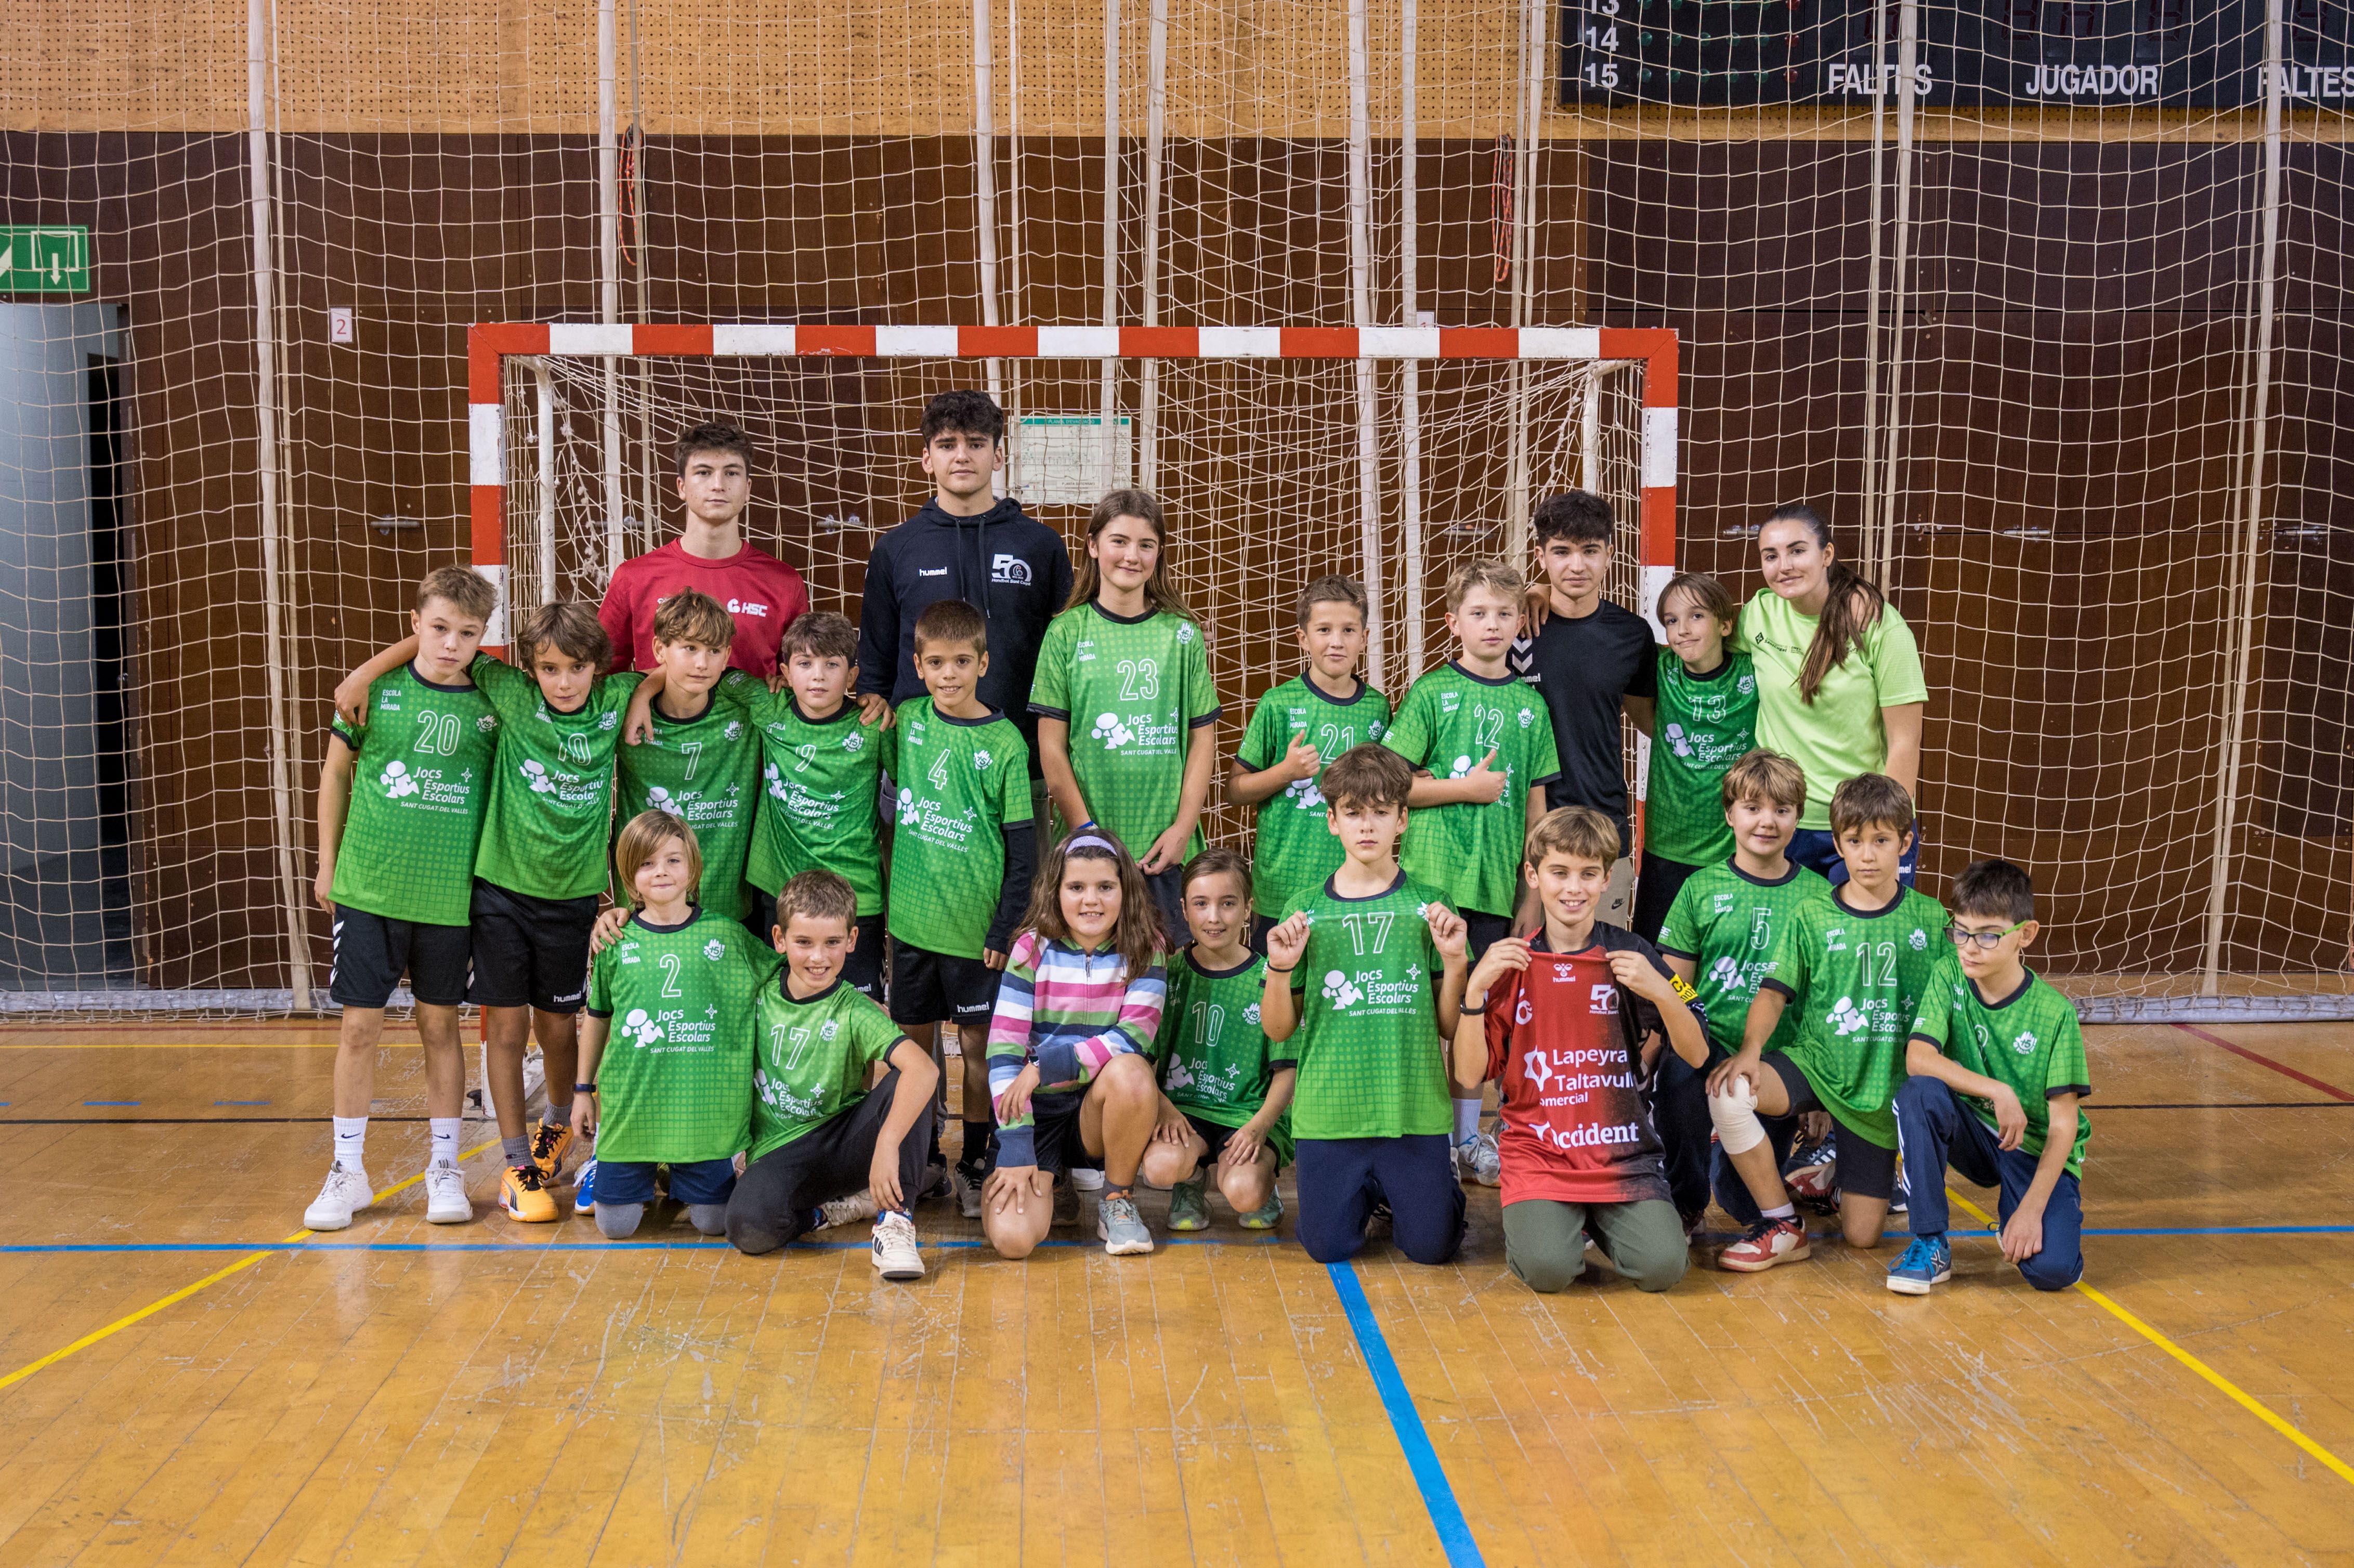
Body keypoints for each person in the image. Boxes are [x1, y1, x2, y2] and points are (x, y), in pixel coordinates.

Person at [332, 600, 644, 1223]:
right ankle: (514, 1161)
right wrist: (363, 675)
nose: (563, 681)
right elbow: (441, 644)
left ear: (599, 671)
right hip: (497, 893)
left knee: (559, 1028)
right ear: (529, 669)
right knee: (504, 1029)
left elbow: (662, 673)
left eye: (577, 669)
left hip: (574, 897)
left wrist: (643, 694)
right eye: (549, 668)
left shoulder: (617, 699)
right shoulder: (508, 690)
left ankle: (557, 1129)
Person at [304, 565, 498, 1230]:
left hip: (449, 897)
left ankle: (445, 1166)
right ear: (415, 625)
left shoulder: (492, 705)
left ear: (482, 638)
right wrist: (327, 863)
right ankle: (346, 1170)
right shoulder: (374, 691)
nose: (450, 644)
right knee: (358, 1027)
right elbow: (335, 774)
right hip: (369, 887)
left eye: (466, 633)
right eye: (438, 628)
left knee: (440, 1026)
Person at [1453, 807, 1710, 1293]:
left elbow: (1698, 1052)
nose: (1574, 888)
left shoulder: (1635, 953)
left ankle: (1598, 1220)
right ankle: (1557, 1223)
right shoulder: (1509, 963)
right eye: (1559, 873)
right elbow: (1469, 1073)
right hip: (1540, 1153)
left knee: (1662, 1270)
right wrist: (1473, 994)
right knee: (1549, 1272)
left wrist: (1662, 990)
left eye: (1589, 874)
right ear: (1533, 875)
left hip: (1622, 1155)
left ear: (1606, 878)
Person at [1705, 774, 1945, 1271]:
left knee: (1861, 1238)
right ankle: (1782, 1224)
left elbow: (1954, 1003)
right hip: (1815, 1065)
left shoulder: (1932, 919)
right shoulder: (1812, 914)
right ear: (1838, 844)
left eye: (1882, 841)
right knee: (1730, 1092)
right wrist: (1750, 1052)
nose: (1868, 855)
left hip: (1879, 1093)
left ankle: (1832, 1174)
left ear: (1905, 842)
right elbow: (1773, 994)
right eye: (1855, 842)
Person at [1381, 557, 1557, 1187]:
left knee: (1471, 1021)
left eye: (1505, 614)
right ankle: (1421, 1136)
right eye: (1478, 613)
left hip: (1491, 888)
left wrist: (1530, 892)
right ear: (1453, 622)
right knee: (1423, 1014)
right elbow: (1390, 783)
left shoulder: (1532, 707)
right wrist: (1466, 787)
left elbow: (1538, 810)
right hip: (1429, 887)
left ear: (1519, 624)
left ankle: (1465, 1138)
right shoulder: (1430, 692)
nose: (1492, 625)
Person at [1261, 743, 1471, 1266]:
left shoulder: (1431, 903)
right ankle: (1373, 1194)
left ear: (1402, 819)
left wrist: (1456, 963)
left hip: (1413, 1110)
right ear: (1332, 821)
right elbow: (1278, 1029)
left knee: (1431, 1249)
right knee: (1327, 1248)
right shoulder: (1304, 908)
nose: (1367, 825)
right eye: (1353, 812)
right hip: (1331, 1113)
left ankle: (1424, 1191)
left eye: (1380, 811)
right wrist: (1281, 969)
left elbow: (1449, 1026)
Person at [855, 389, 1074, 822]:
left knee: (1023, 889)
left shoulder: (1041, 545)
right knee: (917, 891)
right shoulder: (896, 549)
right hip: (919, 767)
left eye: (976, 444)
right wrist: (874, 706)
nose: (962, 456)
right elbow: (876, 663)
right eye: (947, 445)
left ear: (997, 455)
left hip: (1018, 761)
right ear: (926, 458)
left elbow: (1072, 645)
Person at [885, 598, 1037, 1216]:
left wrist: (1005, 926)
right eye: (937, 663)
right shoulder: (907, 721)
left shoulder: (1004, 743)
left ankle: (978, 1160)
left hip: (978, 935)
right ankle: (921, 1158)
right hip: (912, 926)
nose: (950, 674)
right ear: (918, 666)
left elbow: (1024, 854)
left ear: (984, 662)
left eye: (962, 662)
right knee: (914, 1051)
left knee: (979, 1052)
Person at [725, 870, 939, 1280]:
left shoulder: (855, 1010)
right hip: (778, 1150)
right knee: (747, 1228)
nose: (818, 958)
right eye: (804, 942)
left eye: (832, 943)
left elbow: (925, 1069)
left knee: (911, 1081)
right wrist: (626, 914)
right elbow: (696, 932)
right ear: (779, 939)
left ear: (852, 941)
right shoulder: (760, 978)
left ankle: (895, 1222)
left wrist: (887, 1143)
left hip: (845, 1140)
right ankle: (827, 1213)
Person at [571, 812, 777, 1239]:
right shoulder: (614, 940)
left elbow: (786, 977)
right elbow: (597, 1015)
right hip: (633, 1115)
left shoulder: (729, 937)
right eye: (647, 863)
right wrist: (582, 1090)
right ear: (629, 874)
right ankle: (636, 1164)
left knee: (713, 1223)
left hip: (702, 1120)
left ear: (693, 868)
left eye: (673, 861)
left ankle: (676, 1168)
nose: (661, 871)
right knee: (616, 1227)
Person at [1890, 859, 2089, 1296]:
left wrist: (2031, 1211)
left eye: (1987, 936)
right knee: (1919, 1093)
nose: (1968, 947)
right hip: (1977, 1135)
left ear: (2026, 934)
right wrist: (1996, 1090)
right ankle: (1929, 1241)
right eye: (1960, 931)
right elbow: (1919, 1058)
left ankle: (2020, 1208)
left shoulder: (2056, 1014)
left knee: (2052, 1272)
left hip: (2032, 1149)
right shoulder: (1949, 975)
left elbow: (2063, 1126)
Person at [1652, 749, 1832, 1231]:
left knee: (1742, 1203)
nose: (1767, 822)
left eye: (1782, 809)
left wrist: (1820, 1097)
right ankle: (1685, 1202)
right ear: (1730, 814)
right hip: (1711, 1047)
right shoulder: (1700, 888)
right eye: (1753, 808)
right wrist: (1694, 1030)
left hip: (1777, 1066)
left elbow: (1822, 999)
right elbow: (1675, 983)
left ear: (1798, 817)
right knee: (1676, 1077)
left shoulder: (1819, 898)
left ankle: (1786, 1167)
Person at [1032, 489, 1221, 938]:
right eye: (1119, 541)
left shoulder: (1182, 635)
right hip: (1089, 854)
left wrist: (1182, 829)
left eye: (1146, 545)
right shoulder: (1065, 633)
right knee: (1093, 991)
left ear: (1160, 553)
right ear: (1093, 546)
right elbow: (1052, 749)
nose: (1131, 556)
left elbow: (1203, 740)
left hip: (1165, 850)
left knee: (1169, 985)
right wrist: (1090, 835)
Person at [982, 831, 1171, 1259]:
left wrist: (1044, 1066)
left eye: (1105, 887)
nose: (1092, 900)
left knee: (1132, 1071)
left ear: (1126, 890)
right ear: (1056, 890)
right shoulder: (1030, 949)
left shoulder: (1146, 949)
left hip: (1099, 1107)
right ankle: (1056, 1181)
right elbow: (1004, 1049)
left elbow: (1131, 1038)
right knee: (1013, 1240)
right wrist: (1015, 1141)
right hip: (1038, 1107)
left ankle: (1116, 1200)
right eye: (1076, 888)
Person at [1739, 504, 1928, 885]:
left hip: (1859, 825)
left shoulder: (1878, 625)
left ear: (1827, 555)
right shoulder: (1757, 614)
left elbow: (1905, 742)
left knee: (1862, 943)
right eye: (1771, 556)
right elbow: (1704, 653)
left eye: (1797, 551)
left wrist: (1880, 832)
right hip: (1781, 823)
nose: (1784, 565)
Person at [710, 611, 893, 994]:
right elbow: (721, 676)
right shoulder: (768, 708)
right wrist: (645, 692)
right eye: (805, 664)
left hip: (856, 893)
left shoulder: (874, 727)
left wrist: (884, 705)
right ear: (785, 671)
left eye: (832, 665)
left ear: (853, 677)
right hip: (779, 891)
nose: (818, 675)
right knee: (780, 1004)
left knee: (859, 1013)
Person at [1508, 491, 1658, 926]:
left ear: (1609, 554)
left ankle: (1682, 999)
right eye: (1562, 552)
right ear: (1541, 555)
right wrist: (1526, 592)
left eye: (1590, 551)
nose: (1577, 566)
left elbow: (1651, 723)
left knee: (1603, 965)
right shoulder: (1512, 626)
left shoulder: (1632, 635)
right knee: (1524, 967)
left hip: (1602, 824)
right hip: (1519, 831)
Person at [1228, 574, 1390, 951]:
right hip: (1283, 887)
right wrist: (1286, 772)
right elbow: (1235, 789)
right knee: (1278, 995)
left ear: (1364, 639)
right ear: (1303, 638)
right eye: (1324, 630)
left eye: (1349, 630)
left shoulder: (1379, 708)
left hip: (1356, 883)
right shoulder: (1277, 703)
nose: (1337, 641)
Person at [1139, 847, 1294, 1232]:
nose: (1213, 917)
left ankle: (1265, 1183)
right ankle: (1189, 1182)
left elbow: (1288, 1070)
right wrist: (1164, 1109)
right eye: (1201, 904)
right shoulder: (1167, 973)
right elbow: (1140, 1059)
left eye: (1227, 904)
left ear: (1247, 909)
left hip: (1248, 1114)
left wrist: (1259, 1127)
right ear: (1184, 909)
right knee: (1159, 1168)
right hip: (1185, 1110)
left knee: (1244, 1192)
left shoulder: (1270, 977)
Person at [597, 421, 814, 680]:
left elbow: (800, 679)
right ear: (682, 487)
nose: (718, 485)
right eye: (703, 472)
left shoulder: (784, 583)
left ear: (748, 489)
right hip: (661, 720)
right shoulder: (633, 577)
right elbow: (599, 676)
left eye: (732, 473)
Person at [612, 591, 761, 924]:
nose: (701, 663)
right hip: (645, 907)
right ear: (659, 650)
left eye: (714, 651)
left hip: (727, 910)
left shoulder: (749, 706)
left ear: (727, 657)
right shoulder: (623, 705)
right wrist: (642, 692)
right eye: (690, 648)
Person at [1631, 571, 1758, 944]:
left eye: (1697, 616)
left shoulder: (1754, 671)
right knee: (1659, 961)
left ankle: (1698, 1006)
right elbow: (1646, 718)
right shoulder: (1660, 668)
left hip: (1731, 849)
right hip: (1666, 847)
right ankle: (1678, 1004)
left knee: (1717, 957)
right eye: (1672, 621)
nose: (1683, 629)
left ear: (1725, 624)